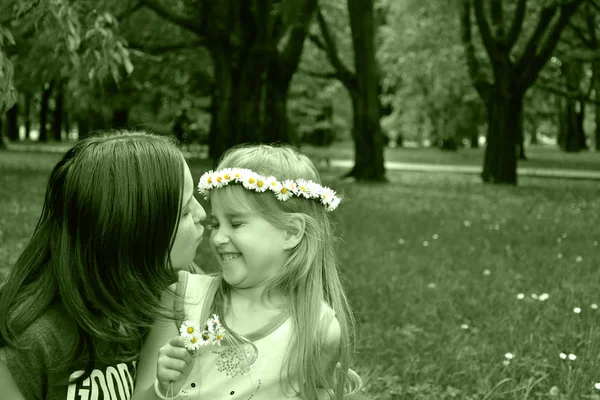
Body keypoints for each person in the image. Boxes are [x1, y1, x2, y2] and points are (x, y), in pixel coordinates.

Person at [134, 144, 364, 400]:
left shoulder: (317, 328)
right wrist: (162, 387)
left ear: (291, 232)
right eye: (215, 224)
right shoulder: (183, 299)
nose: (219, 237)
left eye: (236, 223)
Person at [0, 130, 207, 399]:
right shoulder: (34, 342)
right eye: (186, 211)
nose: (202, 214)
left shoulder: (180, 288)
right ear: (135, 235)